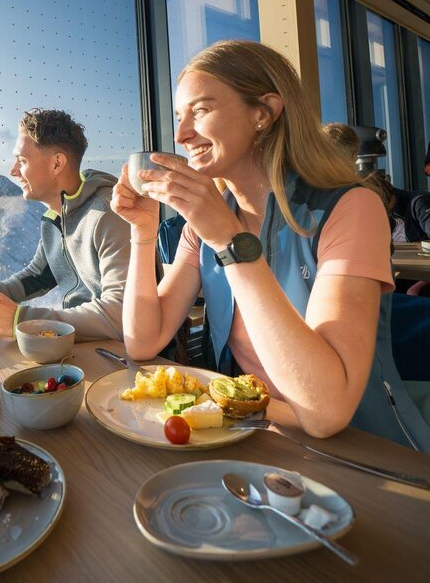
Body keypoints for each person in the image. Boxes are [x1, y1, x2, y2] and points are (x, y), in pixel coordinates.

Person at [111, 39, 429, 450]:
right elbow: (143, 341)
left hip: (361, 451)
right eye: (178, 116)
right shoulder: (204, 224)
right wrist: (143, 231)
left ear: (263, 113)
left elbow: (326, 411)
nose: (182, 134)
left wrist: (230, 242)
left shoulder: (351, 208)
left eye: (200, 110)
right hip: (255, 437)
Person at [0, 108, 130, 341]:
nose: (13, 171)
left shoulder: (109, 213)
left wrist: (22, 320)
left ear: (57, 163)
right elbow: (37, 276)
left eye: (22, 161)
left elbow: (120, 314)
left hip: (121, 352)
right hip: (83, 344)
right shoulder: (55, 217)